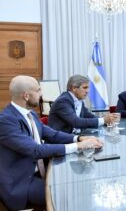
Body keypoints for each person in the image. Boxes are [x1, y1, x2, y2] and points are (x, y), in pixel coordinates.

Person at [0, 75, 103, 210]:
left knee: (78, 184)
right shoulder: (6, 120)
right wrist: (77, 146)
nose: (41, 94)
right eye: (38, 90)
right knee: (67, 194)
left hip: (38, 173)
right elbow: (35, 150)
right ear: (26, 95)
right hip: (22, 182)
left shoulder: (30, 114)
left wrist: (78, 138)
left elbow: (52, 134)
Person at [48, 75, 118, 134]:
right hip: (60, 140)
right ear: (74, 88)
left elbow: (88, 115)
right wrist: (103, 120)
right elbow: (76, 122)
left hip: (74, 136)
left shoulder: (79, 99)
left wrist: (105, 121)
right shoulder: (63, 101)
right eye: (85, 88)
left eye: (88, 88)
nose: (87, 91)